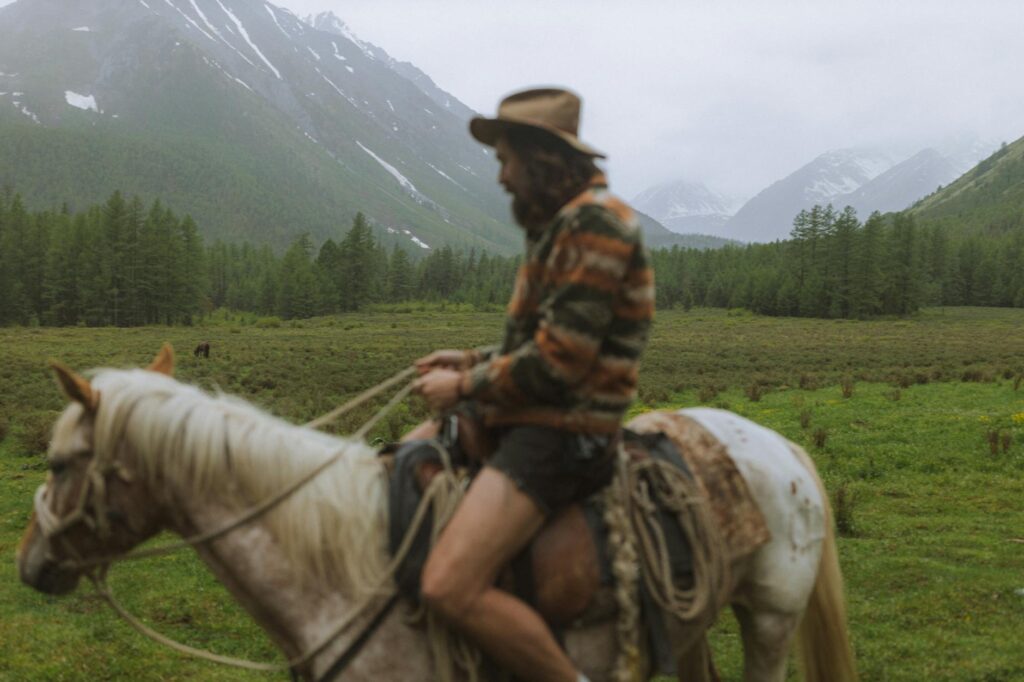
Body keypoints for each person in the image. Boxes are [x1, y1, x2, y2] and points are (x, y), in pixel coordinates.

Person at [412, 87, 654, 682]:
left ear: (542, 160)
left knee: (448, 586)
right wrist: (468, 358)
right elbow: (541, 346)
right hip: (534, 414)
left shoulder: (595, 224)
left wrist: (467, 384)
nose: (501, 177)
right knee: (408, 458)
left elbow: (561, 365)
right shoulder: (562, 225)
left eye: (507, 161)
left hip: (566, 432)